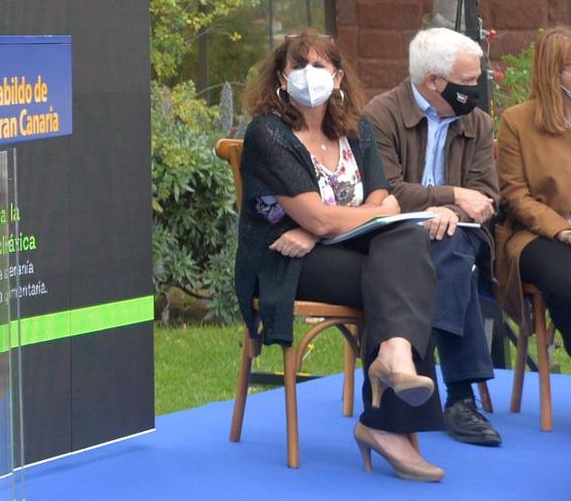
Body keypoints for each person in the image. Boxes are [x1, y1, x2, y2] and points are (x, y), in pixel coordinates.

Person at [236, 30, 446, 482]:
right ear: (281, 78)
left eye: (320, 67)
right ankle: (387, 415)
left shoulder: (357, 129)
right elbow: (325, 217)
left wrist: (322, 227)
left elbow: (385, 204)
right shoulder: (268, 135)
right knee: (401, 270)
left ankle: (392, 360)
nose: (309, 76)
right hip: (284, 262)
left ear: (338, 77)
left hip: (339, 250)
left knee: (403, 243)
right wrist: (320, 229)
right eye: (298, 67)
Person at [363, 26, 501, 446]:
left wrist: (451, 212)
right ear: (434, 81)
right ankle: (461, 398)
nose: (476, 89)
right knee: (442, 254)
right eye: (468, 81)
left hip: (459, 231)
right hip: (396, 233)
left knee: (452, 246)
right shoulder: (379, 115)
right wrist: (450, 196)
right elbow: (387, 190)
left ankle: (411, 371)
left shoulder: (477, 122)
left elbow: (487, 196)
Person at [494, 25, 571, 366]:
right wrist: (561, 229)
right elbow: (515, 195)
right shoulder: (517, 122)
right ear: (553, 75)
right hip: (536, 235)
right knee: (566, 281)